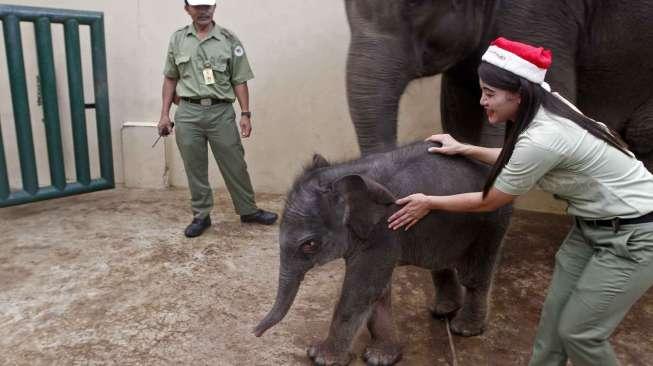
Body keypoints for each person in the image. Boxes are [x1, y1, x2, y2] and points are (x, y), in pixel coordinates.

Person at [388, 37, 653, 365]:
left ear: (519, 94)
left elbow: (490, 200)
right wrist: (464, 147)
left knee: (580, 334)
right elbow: (522, 159)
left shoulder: (543, 136)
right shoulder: (545, 107)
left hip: (636, 236)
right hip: (591, 228)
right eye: (482, 91)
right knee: (553, 323)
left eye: (490, 94)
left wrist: (429, 201)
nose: (483, 101)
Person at [158, 0, 277, 238]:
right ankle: (201, 215)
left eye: (207, 6)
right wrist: (164, 114)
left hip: (220, 112)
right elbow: (170, 78)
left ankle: (248, 210)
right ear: (187, 9)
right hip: (188, 113)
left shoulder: (229, 39)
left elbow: (239, 79)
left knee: (235, 163)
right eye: (197, 6)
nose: (203, 11)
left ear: (214, 8)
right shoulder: (178, 39)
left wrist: (245, 113)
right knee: (195, 166)